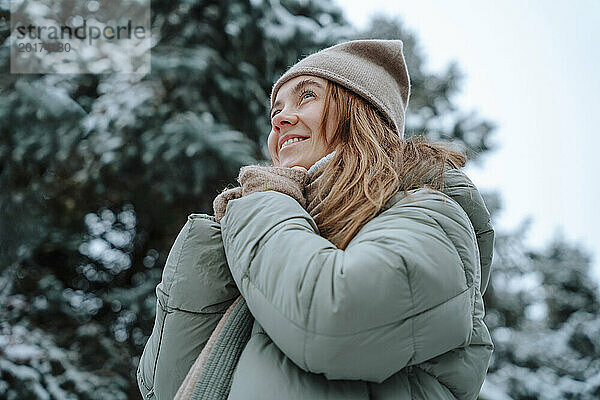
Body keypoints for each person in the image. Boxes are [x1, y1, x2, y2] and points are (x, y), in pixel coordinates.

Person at [137, 39, 495, 400]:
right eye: (276, 110)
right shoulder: (282, 232)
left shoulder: (430, 215)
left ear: (361, 113)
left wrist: (265, 203)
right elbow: (164, 387)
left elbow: (333, 321)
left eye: (306, 96)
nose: (279, 118)